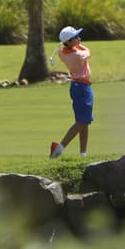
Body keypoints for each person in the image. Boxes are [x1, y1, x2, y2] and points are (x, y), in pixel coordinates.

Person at [50, 25, 92, 158]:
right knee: (81, 122)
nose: (79, 38)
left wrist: (74, 42)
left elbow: (67, 47)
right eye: (75, 37)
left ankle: (83, 154)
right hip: (82, 88)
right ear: (68, 42)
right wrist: (79, 44)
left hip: (77, 86)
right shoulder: (77, 55)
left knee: (84, 122)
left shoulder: (62, 52)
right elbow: (88, 51)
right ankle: (59, 148)